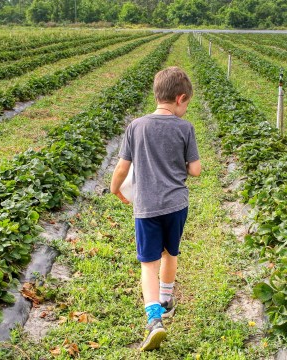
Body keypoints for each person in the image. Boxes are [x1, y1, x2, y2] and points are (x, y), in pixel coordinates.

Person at [110, 66, 201, 352]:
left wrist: (115, 189)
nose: (185, 109)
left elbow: (122, 167)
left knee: (148, 264)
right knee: (169, 254)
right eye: (186, 104)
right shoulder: (185, 128)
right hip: (176, 205)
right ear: (180, 98)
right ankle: (167, 300)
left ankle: (154, 320)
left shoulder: (136, 126)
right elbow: (195, 170)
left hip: (146, 206)